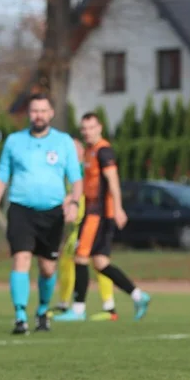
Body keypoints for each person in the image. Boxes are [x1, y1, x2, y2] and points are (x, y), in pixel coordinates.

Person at [0, 93, 83, 335]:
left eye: (43, 111)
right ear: (29, 114)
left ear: (51, 113)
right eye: (34, 111)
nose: (38, 115)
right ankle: (20, 316)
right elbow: (1, 176)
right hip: (21, 210)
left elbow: (76, 178)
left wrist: (73, 202)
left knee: (48, 268)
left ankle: (41, 311)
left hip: (51, 213)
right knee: (21, 258)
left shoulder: (63, 142)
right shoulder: (14, 142)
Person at [53, 112, 151, 322]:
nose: (87, 132)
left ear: (100, 128)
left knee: (80, 257)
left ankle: (78, 310)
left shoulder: (104, 151)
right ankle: (139, 296)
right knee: (100, 263)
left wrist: (118, 208)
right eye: (84, 128)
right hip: (92, 211)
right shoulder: (90, 151)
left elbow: (113, 180)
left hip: (98, 213)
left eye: (91, 127)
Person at [54, 137, 117, 321]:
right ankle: (66, 303)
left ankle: (107, 306)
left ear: (82, 151)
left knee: (96, 261)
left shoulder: (86, 169)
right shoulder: (69, 170)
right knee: (72, 260)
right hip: (78, 222)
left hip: (89, 220)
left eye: (74, 150)